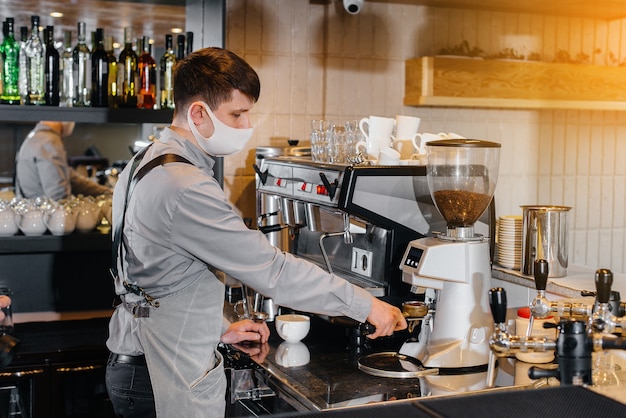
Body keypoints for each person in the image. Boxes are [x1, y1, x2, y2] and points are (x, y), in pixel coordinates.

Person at [105, 47, 407, 417]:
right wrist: (367, 305)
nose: (246, 126)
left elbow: (154, 276)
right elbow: (274, 271)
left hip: (136, 361)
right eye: (237, 114)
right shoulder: (186, 186)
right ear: (198, 112)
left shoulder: (144, 161)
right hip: (164, 376)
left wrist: (214, 328)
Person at [14, 121, 112, 200]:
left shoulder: (35, 137)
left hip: (33, 213)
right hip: (45, 217)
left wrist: (107, 192)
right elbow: (58, 194)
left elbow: (72, 179)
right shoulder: (49, 141)